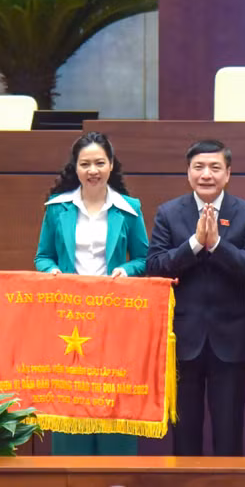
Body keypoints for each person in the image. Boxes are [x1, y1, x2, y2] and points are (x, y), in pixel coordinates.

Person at [146, 139, 245, 456]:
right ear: (188, 172)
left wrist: (217, 245)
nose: (206, 174)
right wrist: (195, 244)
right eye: (198, 167)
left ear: (228, 173)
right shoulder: (169, 213)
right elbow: (154, 266)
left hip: (231, 341)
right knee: (184, 438)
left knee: (229, 437)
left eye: (215, 167)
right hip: (183, 339)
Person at [34, 131, 149, 455]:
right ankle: (70, 469)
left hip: (115, 319)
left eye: (99, 163)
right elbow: (43, 256)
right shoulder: (57, 208)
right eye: (85, 164)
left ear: (111, 165)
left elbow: (144, 258)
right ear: (76, 167)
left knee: (114, 392)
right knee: (71, 394)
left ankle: (118, 469)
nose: (93, 170)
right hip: (68, 317)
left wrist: (126, 270)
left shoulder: (129, 208)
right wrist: (51, 271)